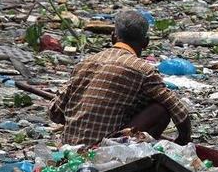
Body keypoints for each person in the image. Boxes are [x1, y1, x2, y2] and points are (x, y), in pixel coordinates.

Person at [49, 10, 192, 146]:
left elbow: (55, 112)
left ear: (113, 37)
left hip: (70, 147)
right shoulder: (143, 69)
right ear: (146, 42)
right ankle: (136, 161)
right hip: (105, 150)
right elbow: (179, 111)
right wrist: (184, 140)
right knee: (160, 110)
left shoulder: (84, 63)